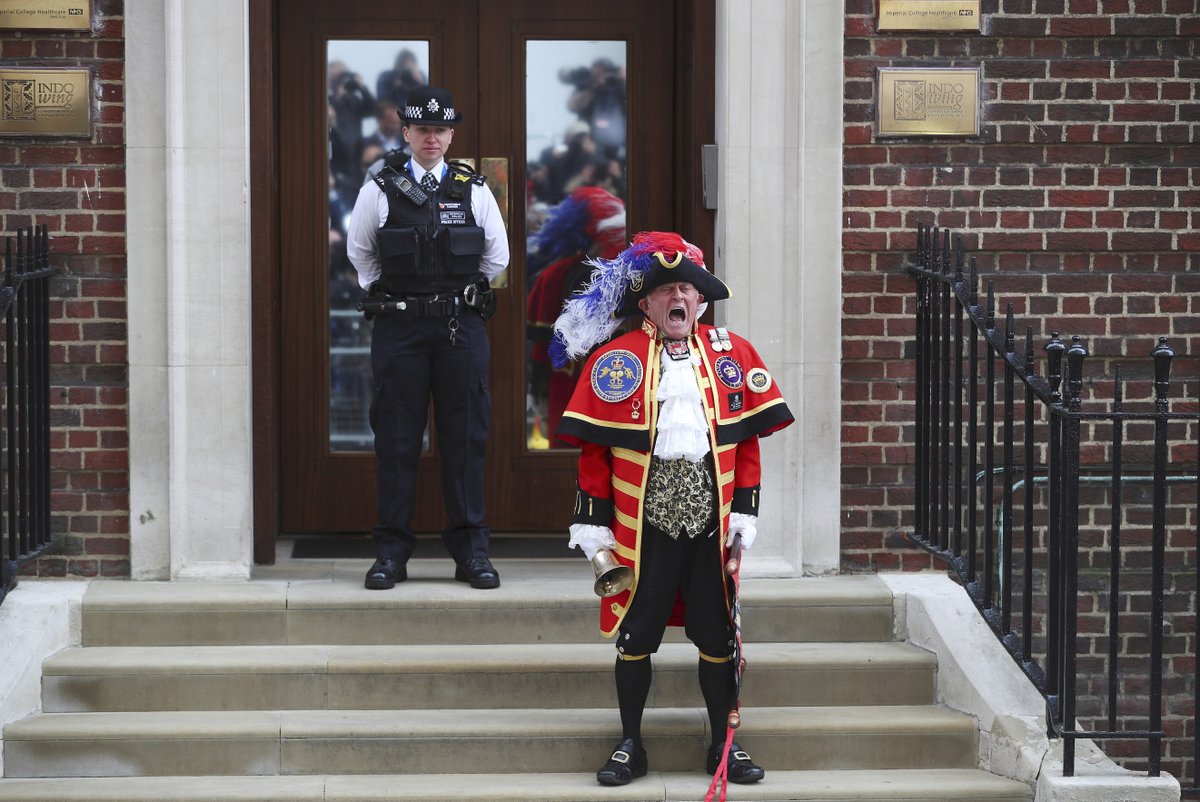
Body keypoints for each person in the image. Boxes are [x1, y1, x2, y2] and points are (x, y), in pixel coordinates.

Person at [553, 232, 794, 791]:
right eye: (665, 290)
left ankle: (722, 745)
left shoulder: (732, 354)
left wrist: (744, 514)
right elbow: (594, 452)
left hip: (710, 528)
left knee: (716, 637)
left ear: (700, 299)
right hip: (644, 530)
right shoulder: (617, 361)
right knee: (636, 635)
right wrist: (593, 526)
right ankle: (630, 744)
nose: (677, 298)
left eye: (686, 287)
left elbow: (747, 441)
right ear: (646, 304)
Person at [346, 86, 509, 591]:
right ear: (408, 132)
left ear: (451, 134)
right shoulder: (380, 188)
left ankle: (472, 553)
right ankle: (391, 553)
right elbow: (361, 255)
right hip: (401, 328)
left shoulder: (475, 189)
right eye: (422, 130)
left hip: (461, 327)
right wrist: (403, 298)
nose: (432, 138)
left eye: (440, 130)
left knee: (466, 442)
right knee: (396, 442)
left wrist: (453, 296)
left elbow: (496, 258)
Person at [525, 186, 625, 448]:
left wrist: (539, 396)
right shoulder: (559, 275)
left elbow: (539, 350)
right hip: (577, 384)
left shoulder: (557, 274)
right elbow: (542, 345)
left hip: (598, 384)